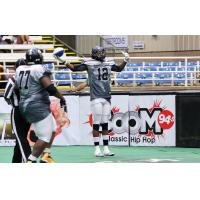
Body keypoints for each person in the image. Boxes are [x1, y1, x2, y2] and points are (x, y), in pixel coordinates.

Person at [54, 46, 129, 157]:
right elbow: (75, 69)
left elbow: (119, 69)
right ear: (95, 53)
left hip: (107, 96)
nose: (102, 54)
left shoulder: (108, 62)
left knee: (105, 123)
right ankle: (97, 149)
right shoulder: (89, 63)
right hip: (96, 96)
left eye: (103, 52)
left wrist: (125, 60)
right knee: (96, 123)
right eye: (100, 52)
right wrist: (64, 61)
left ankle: (106, 148)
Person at [15, 47, 67, 163]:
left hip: (25, 105)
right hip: (37, 107)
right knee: (44, 137)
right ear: (39, 58)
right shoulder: (38, 68)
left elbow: (16, 88)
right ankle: (30, 161)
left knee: (53, 129)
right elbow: (50, 88)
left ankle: (46, 156)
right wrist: (62, 98)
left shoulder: (19, 69)